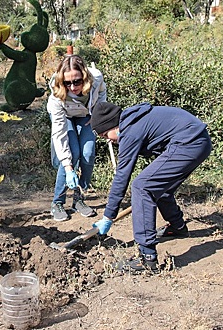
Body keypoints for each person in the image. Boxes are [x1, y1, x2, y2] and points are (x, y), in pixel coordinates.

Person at [91, 101, 212, 272]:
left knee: (142, 186)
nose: (108, 141)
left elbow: (122, 176)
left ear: (114, 126)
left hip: (189, 143)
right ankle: (178, 227)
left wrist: (108, 216)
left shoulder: (130, 131)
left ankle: (147, 258)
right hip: (199, 141)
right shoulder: (133, 120)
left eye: (105, 135)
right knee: (159, 187)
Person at [46, 54, 107, 221]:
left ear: (85, 77)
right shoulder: (56, 97)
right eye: (67, 83)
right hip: (65, 116)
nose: (73, 87)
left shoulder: (97, 78)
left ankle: (79, 199)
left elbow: (102, 93)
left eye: (77, 81)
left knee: (87, 153)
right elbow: (59, 133)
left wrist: (96, 115)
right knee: (72, 154)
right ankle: (57, 202)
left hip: (86, 115)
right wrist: (68, 167)